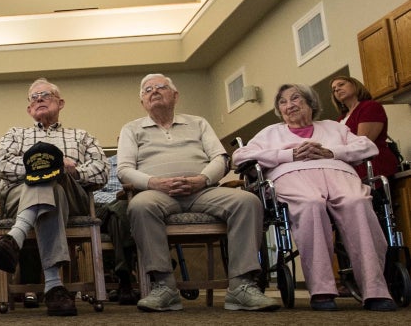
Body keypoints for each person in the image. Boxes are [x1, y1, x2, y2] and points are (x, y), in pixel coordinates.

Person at [117, 73, 278, 313]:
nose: (154, 91)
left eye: (161, 87)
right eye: (147, 89)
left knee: (247, 202)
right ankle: (164, 288)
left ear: (175, 95)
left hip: (202, 191)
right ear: (142, 102)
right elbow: (124, 170)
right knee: (139, 206)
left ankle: (241, 286)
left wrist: (201, 179)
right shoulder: (132, 129)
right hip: (157, 194)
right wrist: (154, 183)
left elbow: (221, 158)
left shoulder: (198, 123)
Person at [233, 83, 397, 312]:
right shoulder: (271, 133)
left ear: (311, 103)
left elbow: (367, 146)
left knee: (357, 202)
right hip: (292, 176)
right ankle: (322, 290)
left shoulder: (334, 128)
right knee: (311, 204)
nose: (289, 105)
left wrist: (333, 152)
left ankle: (375, 290)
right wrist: (287, 154)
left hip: (339, 174)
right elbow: (240, 157)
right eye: (282, 102)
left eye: (296, 98)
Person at [0, 78, 108, 317]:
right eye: (34, 97)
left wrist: (71, 170)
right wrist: (44, 168)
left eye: (45, 95)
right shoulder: (15, 134)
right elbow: (2, 165)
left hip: (72, 197)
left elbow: (102, 170)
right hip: (19, 196)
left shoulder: (81, 136)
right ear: (29, 109)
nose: (39, 99)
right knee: (45, 176)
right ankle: (54, 286)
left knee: (51, 176)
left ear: (60, 103)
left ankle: (14, 238)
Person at [330, 75, 398, 179]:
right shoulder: (340, 119)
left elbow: (362, 145)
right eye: (334, 89)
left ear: (355, 86)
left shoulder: (370, 107)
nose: (337, 89)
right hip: (356, 175)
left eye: (341, 84)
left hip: (376, 170)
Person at [92, 154, 137, 304]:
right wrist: (116, 200)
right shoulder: (105, 164)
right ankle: (129, 276)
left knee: (118, 216)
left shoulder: (145, 162)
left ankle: (124, 280)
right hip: (101, 208)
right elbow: (95, 192)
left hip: (131, 210)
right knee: (119, 208)